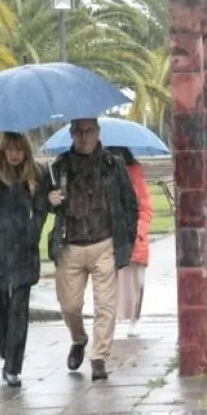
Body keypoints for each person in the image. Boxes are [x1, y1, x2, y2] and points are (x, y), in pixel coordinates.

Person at [47, 118, 139, 380]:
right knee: (69, 306)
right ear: (71, 134)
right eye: (79, 132)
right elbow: (43, 205)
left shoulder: (113, 165)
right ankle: (79, 339)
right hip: (70, 245)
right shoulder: (60, 167)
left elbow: (130, 204)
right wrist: (50, 199)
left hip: (103, 243)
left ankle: (99, 358)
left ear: (98, 133)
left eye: (89, 132)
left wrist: (126, 240)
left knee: (106, 305)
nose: (84, 137)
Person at [0, 132, 49, 388]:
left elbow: (41, 208)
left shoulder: (36, 174)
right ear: (3, 150)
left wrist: (33, 231)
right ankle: (7, 352)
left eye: (20, 149)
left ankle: (13, 365)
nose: (15, 154)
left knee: (19, 309)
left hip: (23, 246)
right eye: (11, 149)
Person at [107, 147, 154, 338]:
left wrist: (138, 232)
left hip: (135, 237)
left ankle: (134, 319)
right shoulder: (105, 174)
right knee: (110, 283)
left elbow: (145, 208)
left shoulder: (135, 174)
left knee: (137, 280)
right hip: (111, 236)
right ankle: (109, 321)